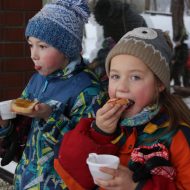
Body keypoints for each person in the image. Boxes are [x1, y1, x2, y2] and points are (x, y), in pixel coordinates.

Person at [54, 27, 190, 190]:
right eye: (115, 76)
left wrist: (137, 186)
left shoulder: (176, 135)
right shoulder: (102, 121)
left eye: (135, 77)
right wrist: (99, 133)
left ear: (159, 83)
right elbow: (72, 174)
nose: (122, 87)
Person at [0, 0, 106, 189]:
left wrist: (49, 115)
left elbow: (86, 150)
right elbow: (22, 130)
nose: (34, 54)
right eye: (31, 45)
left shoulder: (88, 90)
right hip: (26, 179)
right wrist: (5, 123)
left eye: (42, 46)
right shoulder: (38, 79)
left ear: (67, 49)